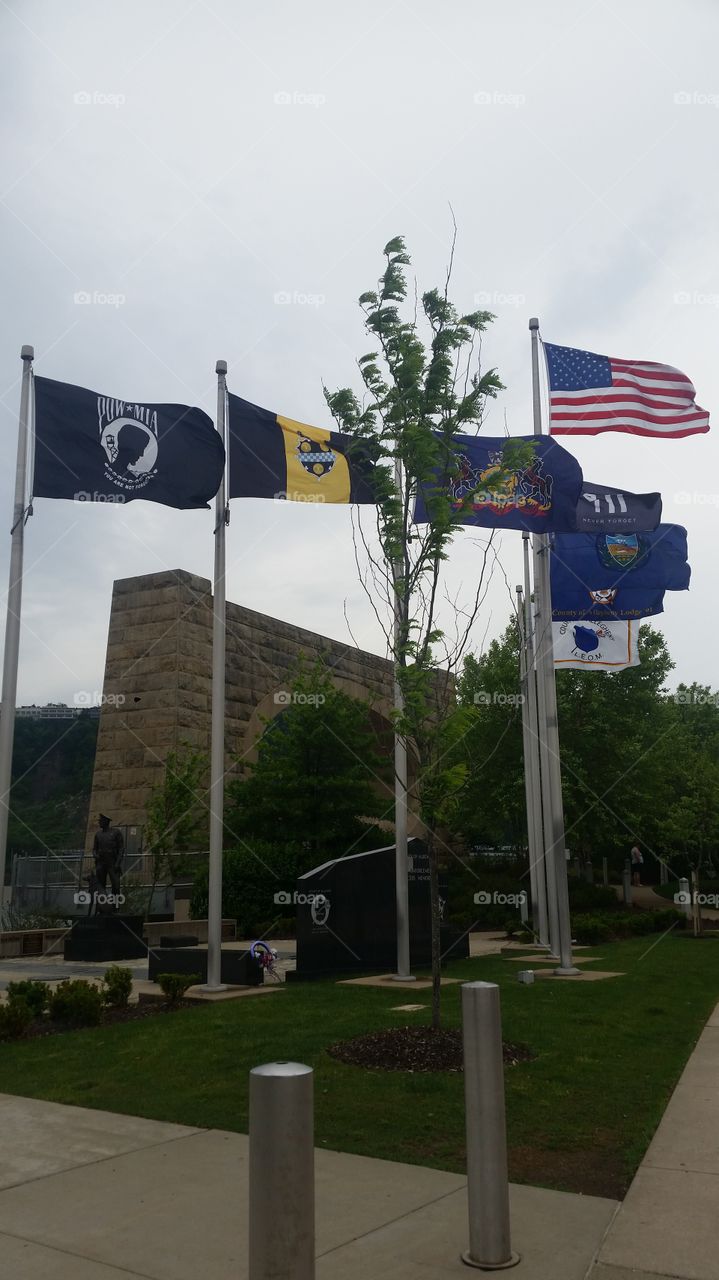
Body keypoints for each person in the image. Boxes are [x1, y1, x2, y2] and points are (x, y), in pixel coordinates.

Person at [92, 813, 124, 908]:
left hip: (112, 863)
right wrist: (95, 855)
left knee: (116, 886)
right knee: (101, 887)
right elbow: (94, 849)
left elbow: (121, 849)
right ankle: (102, 907)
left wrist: (118, 863)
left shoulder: (116, 832)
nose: (99, 822)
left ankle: (116, 906)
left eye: (100, 821)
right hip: (101, 863)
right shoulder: (98, 834)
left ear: (106, 821)